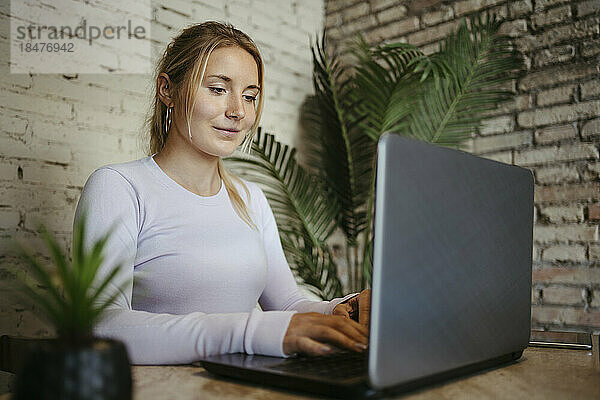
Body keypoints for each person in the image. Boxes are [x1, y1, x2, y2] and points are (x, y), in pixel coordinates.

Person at [74, 21, 371, 365]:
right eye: (217, 89)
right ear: (167, 89)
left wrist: (342, 309)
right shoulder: (119, 187)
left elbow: (288, 305)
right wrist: (248, 332)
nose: (238, 112)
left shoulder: (251, 199)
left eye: (249, 96)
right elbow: (99, 325)